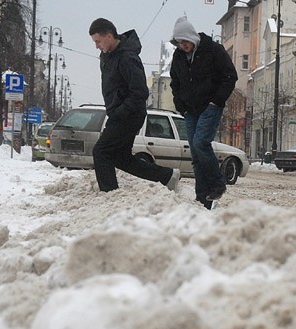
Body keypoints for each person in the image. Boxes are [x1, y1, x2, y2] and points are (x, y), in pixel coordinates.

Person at [88, 18, 180, 193]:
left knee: (101, 151)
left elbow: (140, 92)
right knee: (121, 157)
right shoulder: (108, 56)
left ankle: (109, 194)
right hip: (120, 113)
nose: (96, 46)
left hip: (129, 114)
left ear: (109, 36)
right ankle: (167, 176)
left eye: (98, 41)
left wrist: (120, 111)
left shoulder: (127, 58)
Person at [169, 16, 237, 209]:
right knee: (196, 154)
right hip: (190, 110)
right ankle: (203, 198)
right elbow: (175, 82)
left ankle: (217, 183)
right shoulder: (178, 56)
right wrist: (180, 105)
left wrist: (216, 100)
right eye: (179, 42)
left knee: (200, 143)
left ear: (192, 37)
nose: (183, 45)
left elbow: (230, 76)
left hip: (210, 106)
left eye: (185, 41)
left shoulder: (213, 50)